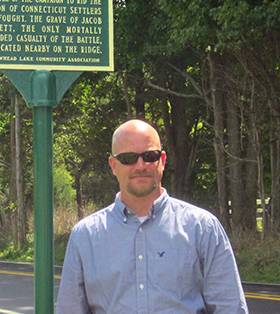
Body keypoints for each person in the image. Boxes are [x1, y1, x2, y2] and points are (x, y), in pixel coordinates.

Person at [56, 120, 248, 314]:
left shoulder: (203, 229)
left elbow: (230, 308)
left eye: (149, 156)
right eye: (129, 158)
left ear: (162, 161)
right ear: (113, 165)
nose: (141, 165)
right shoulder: (85, 237)